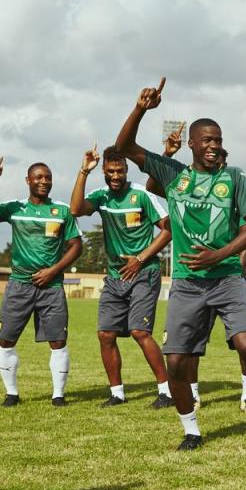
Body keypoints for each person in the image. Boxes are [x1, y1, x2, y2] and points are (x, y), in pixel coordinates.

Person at [114, 78, 246, 453]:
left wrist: (220, 253)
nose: (214, 146)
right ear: (192, 144)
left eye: (218, 139)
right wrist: (141, 109)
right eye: (207, 140)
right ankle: (191, 430)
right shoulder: (173, 174)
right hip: (187, 283)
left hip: (227, 278)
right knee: (177, 361)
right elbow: (124, 147)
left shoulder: (234, 177)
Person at [0, 159, 82, 406]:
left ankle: (58, 395)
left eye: (48, 177)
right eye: (39, 177)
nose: (44, 181)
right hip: (19, 285)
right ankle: (12, 394)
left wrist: (52, 271)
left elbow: (76, 246)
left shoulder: (62, 211)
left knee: (58, 341)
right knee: (6, 339)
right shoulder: (14, 208)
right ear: (28, 180)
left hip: (51, 287)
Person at [70, 145, 174, 408]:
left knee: (140, 331)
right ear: (103, 170)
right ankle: (117, 393)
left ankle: (167, 391)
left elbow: (168, 229)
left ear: (127, 170)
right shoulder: (101, 196)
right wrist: (83, 171)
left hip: (144, 273)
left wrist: (140, 259)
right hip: (115, 277)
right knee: (105, 334)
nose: (115, 176)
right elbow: (75, 209)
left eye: (120, 171)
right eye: (110, 171)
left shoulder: (141, 195)